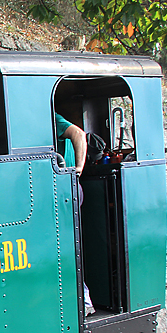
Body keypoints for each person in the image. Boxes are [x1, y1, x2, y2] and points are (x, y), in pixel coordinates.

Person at [55, 113, 96, 316]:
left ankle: (85, 300)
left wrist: (78, 168)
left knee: (67, 246)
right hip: (62, 190)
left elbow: (78, 134)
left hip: (66, 189)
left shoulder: (52, 118)